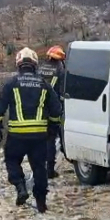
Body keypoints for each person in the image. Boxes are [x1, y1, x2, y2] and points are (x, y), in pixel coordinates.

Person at [0, 48, 63, 213]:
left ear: (18, 64)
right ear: (35, 65)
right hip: (39, 136)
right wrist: (52, 128)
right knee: (39, 167)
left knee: (12, 160)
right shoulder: (43, 84)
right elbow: (56, 109)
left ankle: (20, 187)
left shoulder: (11, 83)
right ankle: (41, 203)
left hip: (17, 135)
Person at [39, 45, 67, 178]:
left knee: (45, 139)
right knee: (56, 135)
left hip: (39, 108)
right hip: (53, 108)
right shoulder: (60, 70)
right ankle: (50, 169)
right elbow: (62, 91)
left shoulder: (41, 68)